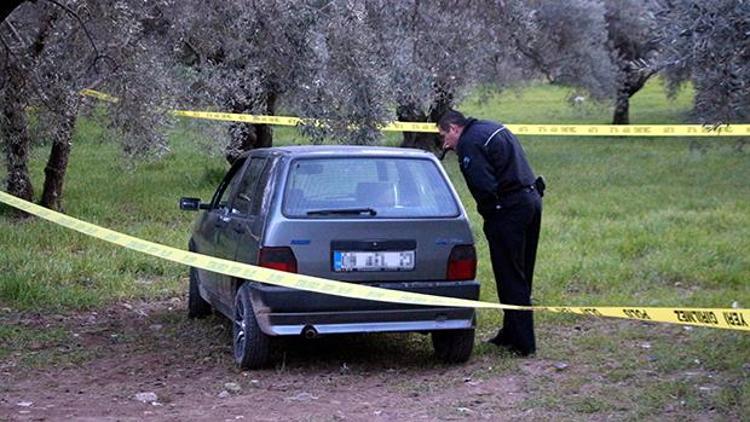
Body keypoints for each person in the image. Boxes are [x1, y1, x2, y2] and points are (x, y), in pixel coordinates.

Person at [438, 109, 543, 356]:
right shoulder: (490, 127)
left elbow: (483, 186)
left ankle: (523, 343)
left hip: (508, 211)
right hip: (531, 200)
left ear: (454, 128)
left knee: (509, 275)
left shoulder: (470, 143)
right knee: (522, 271)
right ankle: (511, 331)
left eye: (444, 136)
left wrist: (490, 215)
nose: (446, 144)